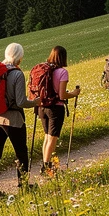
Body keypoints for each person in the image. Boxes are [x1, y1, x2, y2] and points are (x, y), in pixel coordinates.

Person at [0, 42, 40, 198]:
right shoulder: (17, 74)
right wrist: (35, 102)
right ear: (19, 57)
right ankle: (23, 186)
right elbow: (21, 101)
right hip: (13, 119)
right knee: (21, 152)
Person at [37, 46, 80, 174]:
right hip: (55, 108)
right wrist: (74, 93)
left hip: (42, 107)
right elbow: (62, 95)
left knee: (47, 137)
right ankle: (46, 167)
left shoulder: (45, 69)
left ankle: (45, 163)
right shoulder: (62, 72)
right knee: (52, 138)